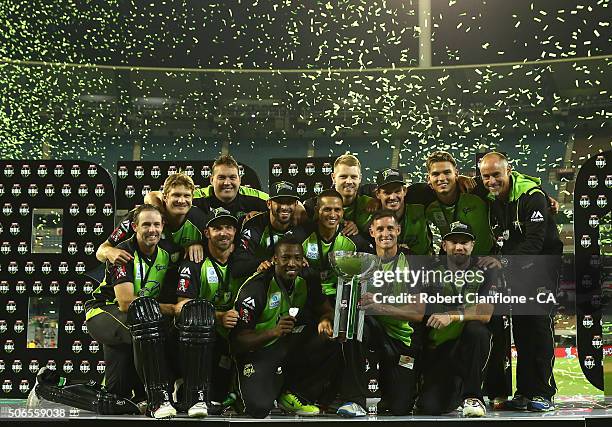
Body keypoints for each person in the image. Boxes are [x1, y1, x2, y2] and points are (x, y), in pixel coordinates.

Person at [479, 152, 562, 412]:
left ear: (509, 171)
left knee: (537, 327)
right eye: (486, 176)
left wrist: (502, 263)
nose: (491, 181)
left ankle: (543, 392)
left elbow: (535, 243)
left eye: (496, 175)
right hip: (517, 269)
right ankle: (525, 392)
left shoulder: (532, 196)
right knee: (522, 331)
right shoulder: (493, 198)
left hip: (541, 269)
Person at [84, 204, 184, 419]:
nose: (152, 230)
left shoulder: (169, 253)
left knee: (116, 394)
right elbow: (127, 304)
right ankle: (158, 399)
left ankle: (50, 387)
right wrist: (172, 309)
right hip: (103, 311)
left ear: (163, 226)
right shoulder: (122, 253)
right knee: (147, 327)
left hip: (136, 320)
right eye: (146, 225)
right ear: (135, 227)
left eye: (156, 224)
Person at [231, 237, 336, 418]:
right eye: (285, 258)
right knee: (259, 408)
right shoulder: (256, 288)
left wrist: (325, 320)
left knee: (330, 338)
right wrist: (274, 332)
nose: (291, 263)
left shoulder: (308, 278)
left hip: (288, 344)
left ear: (303, 260)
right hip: (257, 351)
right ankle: (236, 389)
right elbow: (237, 342)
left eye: (296, 258)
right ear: (275, 259)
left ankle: (295, 395)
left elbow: (327, 310)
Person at [337, 210, 424, 417]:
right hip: (374, 335)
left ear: (399, 230)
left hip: (403, 339)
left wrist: (380, 306)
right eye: (381, 229)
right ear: (372, 232)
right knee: (354, 323)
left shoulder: (412, 262)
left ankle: (402, 389)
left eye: (390, 228)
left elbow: (417, 314)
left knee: (399, 408)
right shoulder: (362, 263)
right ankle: (354, 399)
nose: (386, 233)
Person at [417, 221, 496, 418]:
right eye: (453, 242)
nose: (459, 247)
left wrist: (451, 316)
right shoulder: (429, 272)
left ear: (473, 245)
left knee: (477, 329)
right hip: (439, 348)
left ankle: (473, 396)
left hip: (468, 346)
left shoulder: (487, 270)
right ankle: (453, 390)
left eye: (464, 242)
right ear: (444, 245)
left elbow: (485, 312)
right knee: (430, 408)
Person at [175, 207, 245, 414]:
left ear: (235, 232)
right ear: (207, 233)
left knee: (220, 396)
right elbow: (183, 307)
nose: (223, 233)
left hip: (233, 330)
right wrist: (219, 316)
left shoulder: (244, 260)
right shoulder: (194, 262)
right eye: (217, 228)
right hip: (203, 333)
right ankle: (187, 386)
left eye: (229, 227)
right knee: (198, 323)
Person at [98, 172, 207, 264]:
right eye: (176, 195)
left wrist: (199, 245)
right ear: (165, 197)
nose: (181, 200)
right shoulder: (140, 216)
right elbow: (101, 251)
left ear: (192, 198)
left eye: (186, 196)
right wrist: (109, 252)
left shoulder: (199, 219)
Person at [289, 189, 373, 299]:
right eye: (327, 209)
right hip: (309, 297)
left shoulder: (353, 239)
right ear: (317, 210)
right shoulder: (301, 235)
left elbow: (371, 267)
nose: (332, 215)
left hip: (340, 297)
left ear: (342, 212)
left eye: (337, 210)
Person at [145, 154, 269, 222]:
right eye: (221, 177)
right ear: (211, 180)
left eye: (232, 177)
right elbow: (152, 196)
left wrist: (263, 216)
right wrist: (160, 212)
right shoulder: (198, 197)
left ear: (240, 180)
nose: (227, 182)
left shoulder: (254, 197)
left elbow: (280, 204)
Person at [232, 181, 300, 277]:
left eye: (289, 202)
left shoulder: (300, 227)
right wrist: (270, 262)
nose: (284, 207)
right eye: (279, 202)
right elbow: (238, 267)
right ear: (269, 204)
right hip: (262, 283)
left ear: (296, 204)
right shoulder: (254, 225)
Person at [304, 154, 373, 235]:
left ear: (360, 178)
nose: (349, 181)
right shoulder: (313, 205)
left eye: (354, 177)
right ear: (333, 178)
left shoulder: (370, 202)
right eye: (343, 177)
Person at [373, 168, 432, 254]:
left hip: (423, 263)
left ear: (404, 191)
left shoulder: (421, 210)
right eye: (387, 193)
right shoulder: (368, 214)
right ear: (377, 194)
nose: (392, 197)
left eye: (397, 191)